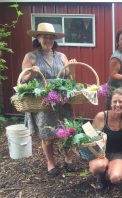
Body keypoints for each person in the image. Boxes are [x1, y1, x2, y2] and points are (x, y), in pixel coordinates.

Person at [21, 23, 77, 177]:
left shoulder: (62, 57)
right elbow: (22, 82)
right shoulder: (30, 57)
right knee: (47, 132)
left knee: (68, 128)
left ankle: (68, 158)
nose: (48, 40)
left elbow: (71, 80)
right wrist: (32, 73)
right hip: (42, 100)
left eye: (51, 37)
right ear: (37, 38)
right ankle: (50, 163)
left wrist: (72, 69)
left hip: (62, 100)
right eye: (45, 37)